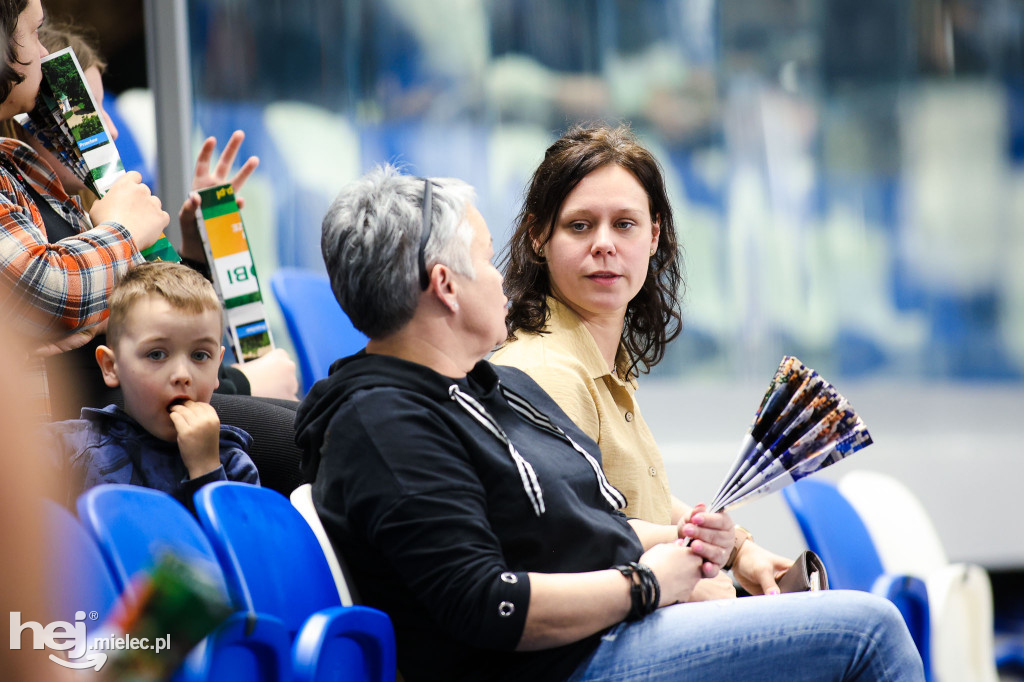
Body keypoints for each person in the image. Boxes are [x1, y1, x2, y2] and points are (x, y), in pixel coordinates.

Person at [296, 165, 924, 682]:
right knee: (869, 630)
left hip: (607, 635)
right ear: (447, 286)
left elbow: (580, 521)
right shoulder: (384, 422)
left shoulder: (482, 389)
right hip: (565, 664)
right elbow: (489, 603)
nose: (503, 282)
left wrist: (710, 546)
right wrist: (645, 585)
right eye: (487, 264)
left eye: (626, 224)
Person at [0, 4, 302, 493]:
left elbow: (160, 323)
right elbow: (66, 307)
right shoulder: (82, 218)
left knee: (311, 425)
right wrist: (239, 387)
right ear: (41, 119)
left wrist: (196, 252)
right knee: (305, 439)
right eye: (87, 111)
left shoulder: (61, 200)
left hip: (135, 414)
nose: (110, 131)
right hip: (88, 436)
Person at [491, 123, 793, 598]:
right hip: (606, 647)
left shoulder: (599, 358)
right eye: (579, 225)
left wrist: (737, 548)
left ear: (653, 236)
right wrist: (716, 580)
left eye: (624, 224)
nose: (604, 244)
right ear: (537, 236)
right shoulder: (544, 371)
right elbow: (583, 538)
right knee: (868, 627)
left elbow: (632, 503)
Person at [45, 261, 259, 511]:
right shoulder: (71, 446)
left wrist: (206, 469)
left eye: (200, 356)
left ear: (217, 368)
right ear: (111, 367)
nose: (182, 375)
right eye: (157, 354)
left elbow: (243, 547)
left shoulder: (232, 465)